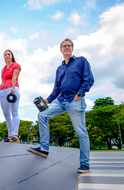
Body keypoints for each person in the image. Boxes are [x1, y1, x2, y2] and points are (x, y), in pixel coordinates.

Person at [27, 38, 94, 173]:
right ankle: (44, 149)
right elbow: (57, 88)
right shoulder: (60, 68)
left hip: (75, 100)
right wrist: (48, 100)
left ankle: (85, 164)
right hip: (61, 100)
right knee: (42, 115)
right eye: (64, 46)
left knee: (81, 132)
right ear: (61, 50)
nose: (66, 48)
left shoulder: (81, 61)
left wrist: (79, 94)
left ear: (72, 48)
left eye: (69, 46)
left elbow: (89, 79)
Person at [0, 50, 21, 143]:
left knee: (14, 112)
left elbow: (14, 77)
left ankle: (15, 134)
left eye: (9, 54)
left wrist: (13, 87)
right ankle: (10, 135)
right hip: (3, 90)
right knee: (6, 114)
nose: (7, 56)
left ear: (12, 56)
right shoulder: (3, 69)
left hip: (12, 89)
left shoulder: (16, 65)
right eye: (5, 55)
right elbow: (3, 80)